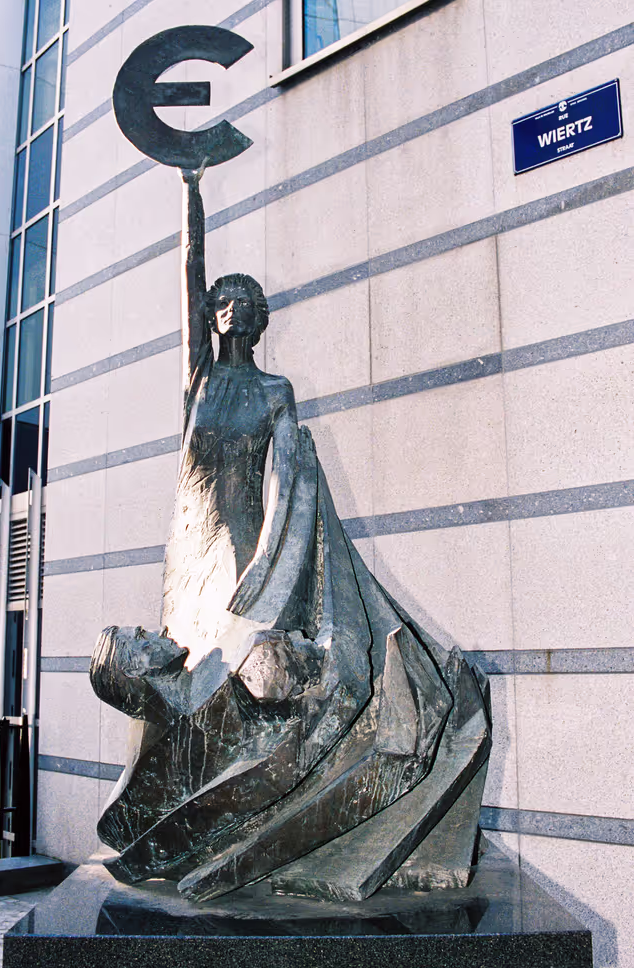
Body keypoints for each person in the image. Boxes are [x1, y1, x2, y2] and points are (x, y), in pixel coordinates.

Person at [90, 167, 490, 902]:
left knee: (246, 682)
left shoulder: (275, 392)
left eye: (244, 302)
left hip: (252, 546)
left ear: (259, 317)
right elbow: (187, 280)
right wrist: (191, 194)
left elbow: (286, 477)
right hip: (193, 552)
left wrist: (273, 557)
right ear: (212, 316)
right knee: (185, 689)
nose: (230, 309)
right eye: (222, 301)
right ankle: (178, 822)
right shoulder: (199, 380)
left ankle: (248, 825)